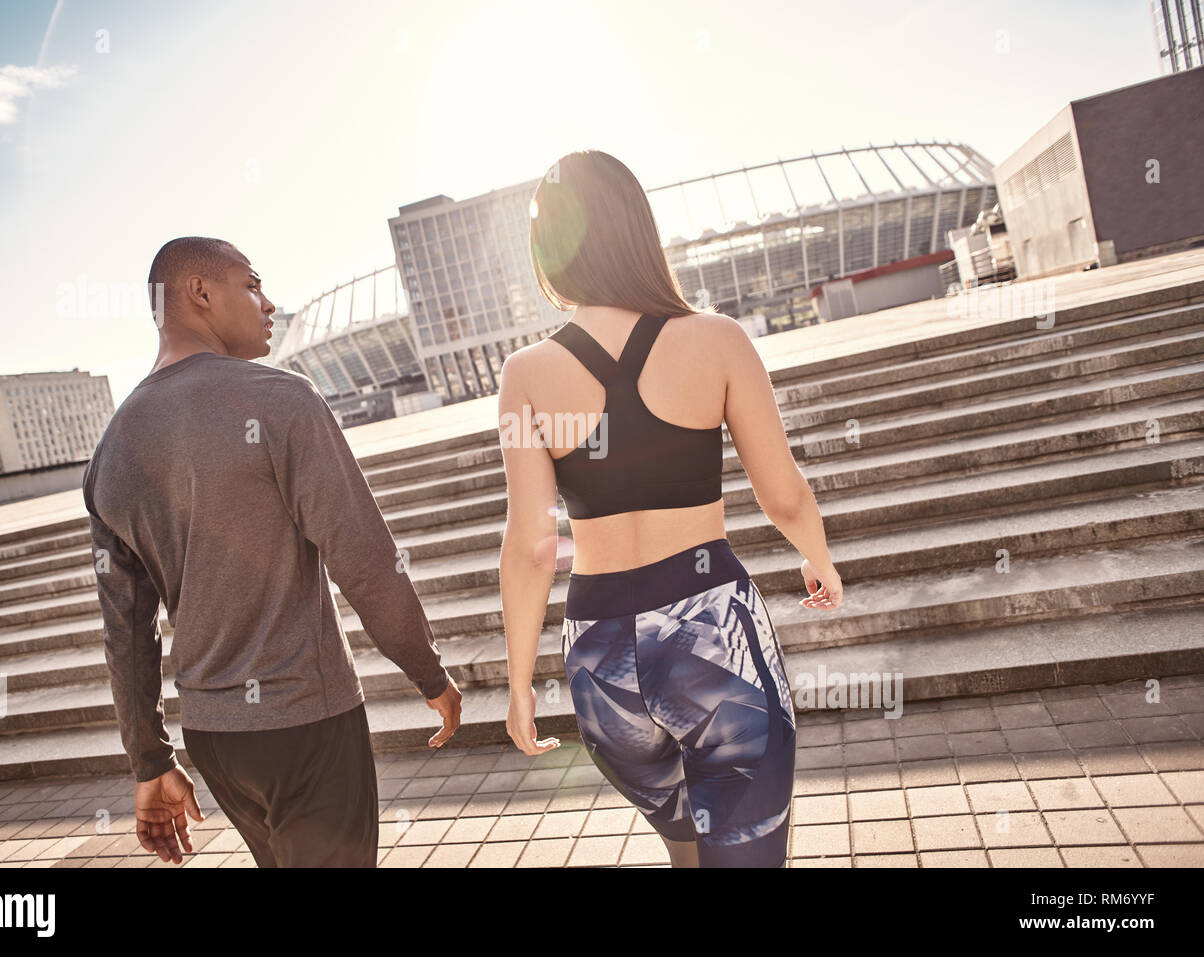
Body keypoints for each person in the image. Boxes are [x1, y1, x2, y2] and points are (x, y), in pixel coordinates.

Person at [496, 150, 843, 868]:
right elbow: (783, 492)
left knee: (686, 854)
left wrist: (519, 683)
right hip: (710, 631)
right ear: (637, 229)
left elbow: (532, 544)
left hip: (598, 658)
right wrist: (819, 558)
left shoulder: (523, 376)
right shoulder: (715, 339)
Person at [82, 237, 462, 867]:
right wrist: (427, 671)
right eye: (251, 285)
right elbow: (364, 557)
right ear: (200, 293)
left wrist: (150, 760)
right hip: (305, 723)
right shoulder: (280, 398)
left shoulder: (111, 452)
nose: (270, 303)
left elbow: (125, 629)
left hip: (215, 739)